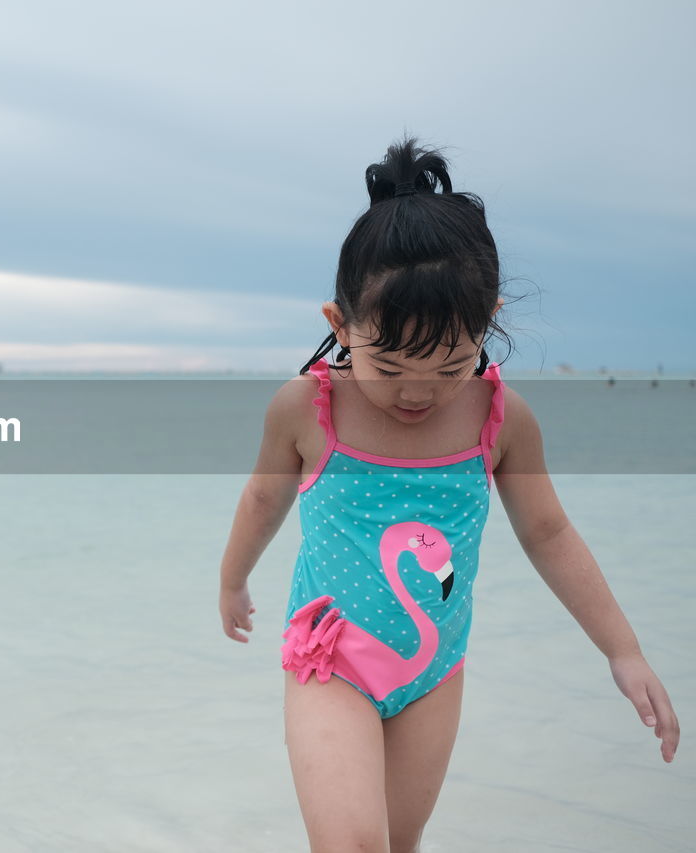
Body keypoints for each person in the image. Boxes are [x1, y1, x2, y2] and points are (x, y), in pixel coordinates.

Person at [217, 135, 679, 852]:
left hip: (433, 668)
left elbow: (549, 533)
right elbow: (260, 498)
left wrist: (623, 648)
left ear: (488, 323)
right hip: (330, 658)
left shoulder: (501, 419)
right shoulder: (308, 408)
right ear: (340, 326)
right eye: (392, 364)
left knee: (400, 843)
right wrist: (232, 579)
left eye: (452, 363)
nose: (419, 390)